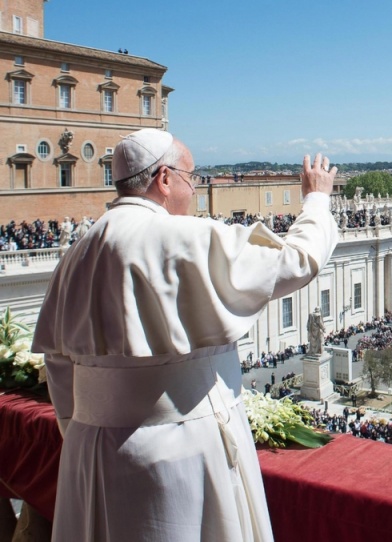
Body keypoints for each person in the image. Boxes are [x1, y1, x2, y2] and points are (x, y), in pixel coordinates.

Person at [33, 128, 339, 542]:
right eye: (190, 178)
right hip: (180, 454)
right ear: (163, 178)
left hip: (89, 454)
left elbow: (57, 361)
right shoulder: (185, 237)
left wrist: (88, 427)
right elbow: (297, 260)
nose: (193, 190)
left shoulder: (77, 251)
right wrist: (317, 198)